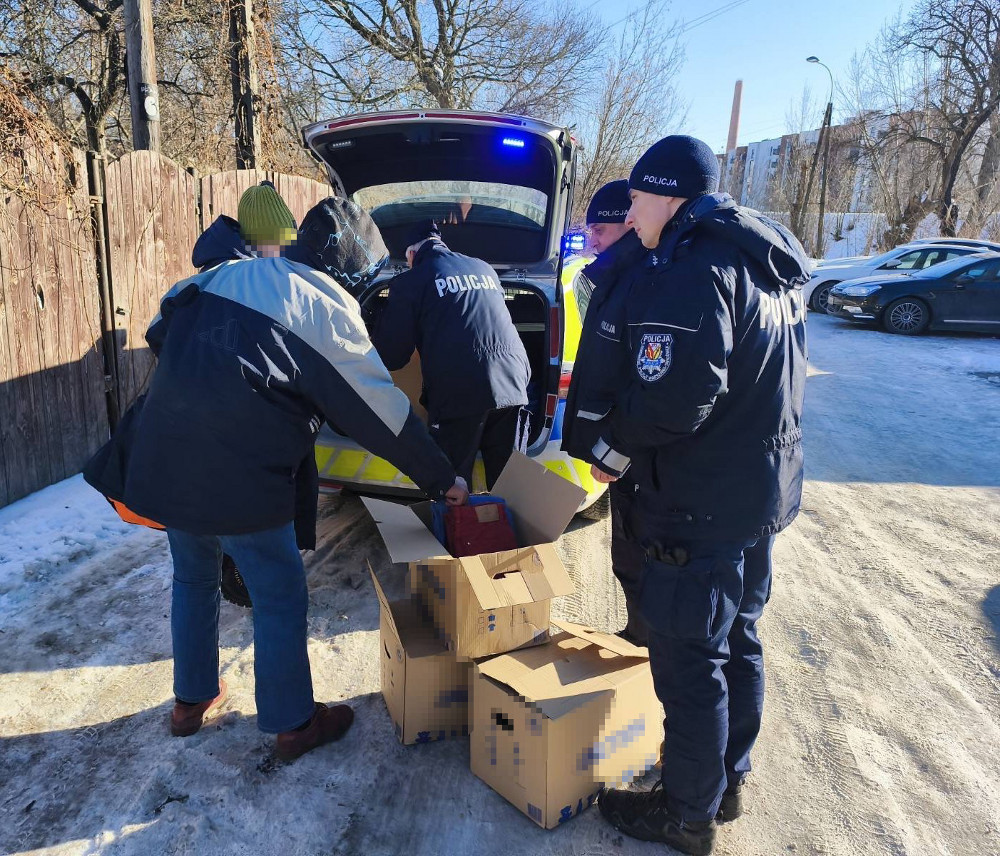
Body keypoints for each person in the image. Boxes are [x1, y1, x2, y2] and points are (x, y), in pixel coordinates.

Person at [122, 189, 468, 761]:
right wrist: (441, 477)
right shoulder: (318, 302)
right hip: (241, 477)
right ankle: (294, 723)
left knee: (193, 579)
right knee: (279, 593)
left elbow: (159, 331)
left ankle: (190, 701)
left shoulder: (208, 280)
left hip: (167, 461)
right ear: (350, 270)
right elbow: (379, 410)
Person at [593, 136, 809, 856]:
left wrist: (609, 447)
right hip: (756, 496)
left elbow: (673, 401)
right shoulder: (763, 261)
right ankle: (726, 781)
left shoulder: (694, 270)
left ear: (670, 196)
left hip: (700, 502)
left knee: (690, 662)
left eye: (637, 200)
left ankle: (686, 815)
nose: (630, 217)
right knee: (738, 640)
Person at [371, 220, 531, 489]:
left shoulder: (411, 281)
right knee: (510, 485)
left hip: (461, 389)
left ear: (412, 254)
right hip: (513, 381)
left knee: (453, 486)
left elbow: (392, 355)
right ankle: (511, 517)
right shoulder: (484, 268)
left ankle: (456, 517)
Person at [561, 180, 649, 646]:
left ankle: (645, 645)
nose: (591, 239)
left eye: (600, 229)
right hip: (625, 437)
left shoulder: (646, 280)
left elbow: (642, 381)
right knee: (628, 549)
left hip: (637, 442)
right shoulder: (606, 275)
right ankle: (639, 634)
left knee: (640, 551)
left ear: (629, 224)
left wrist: (614, 450)